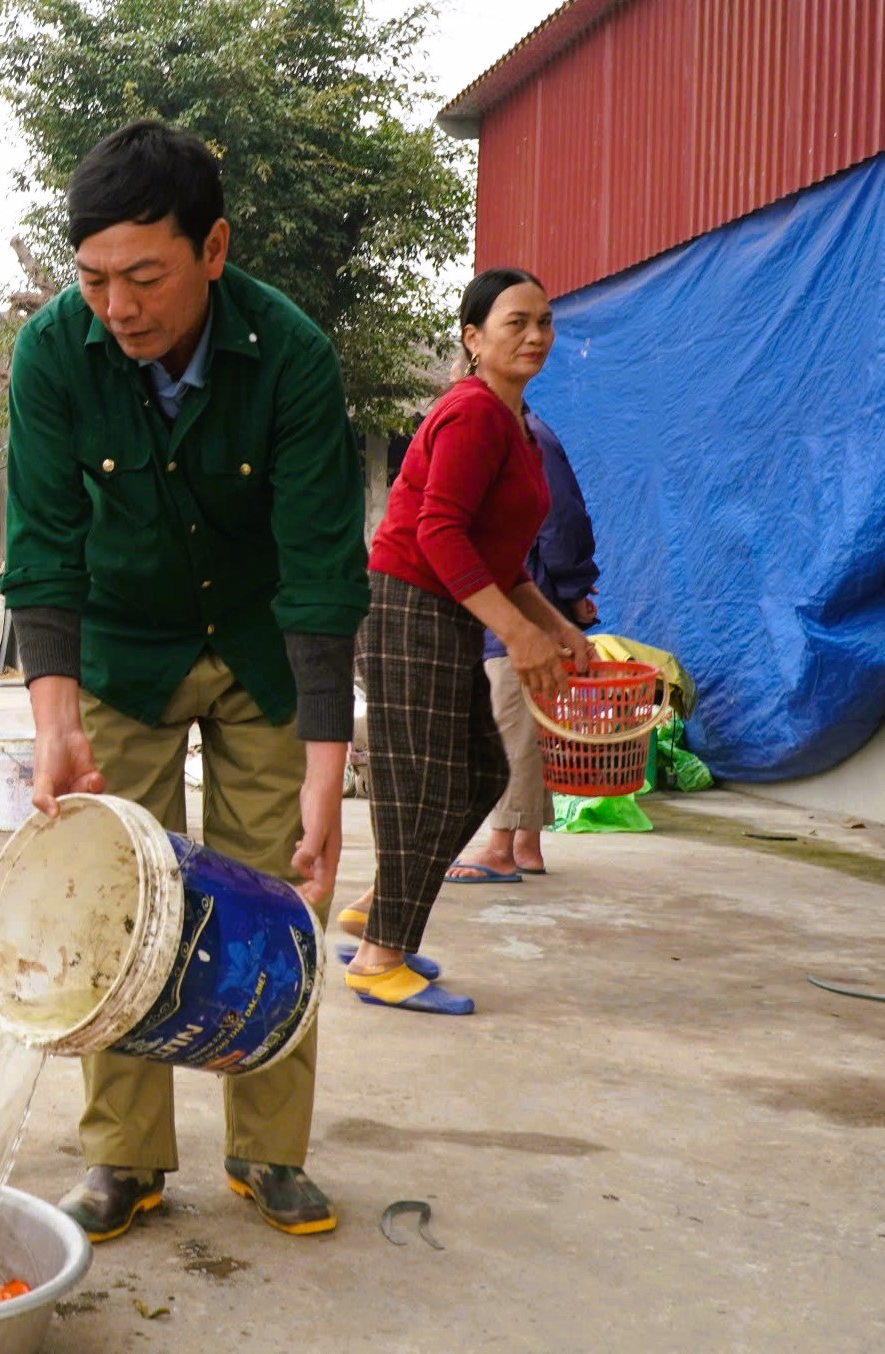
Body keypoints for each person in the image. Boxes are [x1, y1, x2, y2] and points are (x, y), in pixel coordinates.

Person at [2, 120, 367, 1240]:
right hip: (126, 647)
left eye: (144, 276)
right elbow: (44, 547)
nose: (118, 307)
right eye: (95, 278)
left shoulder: (293, 355)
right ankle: (124, 1157)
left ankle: (269, 1150)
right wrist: (53, 720)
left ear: (212, 250)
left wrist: (326, 772)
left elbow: (319, 565)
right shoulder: (56, 354)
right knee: (117, 901)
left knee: (275, 896)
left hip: (260, 645)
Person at [346, 268, 592, 1016]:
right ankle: (379, 955)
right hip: (407, 607)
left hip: (447, 609)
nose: (536, 335)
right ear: (472, 338)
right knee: (424, 784)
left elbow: (504, 560)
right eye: (515, 322)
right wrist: (517, 633)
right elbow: (438, 533)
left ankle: (378, 913)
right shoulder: (473, 415)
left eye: (545, 321)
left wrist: (555, 626)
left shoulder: (516, 426)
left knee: (483, 772)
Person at [446, 406, 599, 882]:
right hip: (516, 598)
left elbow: (561, 524)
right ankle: (524, 843)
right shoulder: (510, 437)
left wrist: (571, 593)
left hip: (523, 604)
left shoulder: (530, 440)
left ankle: (499, 846)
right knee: (521, 722)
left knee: (509, 721)